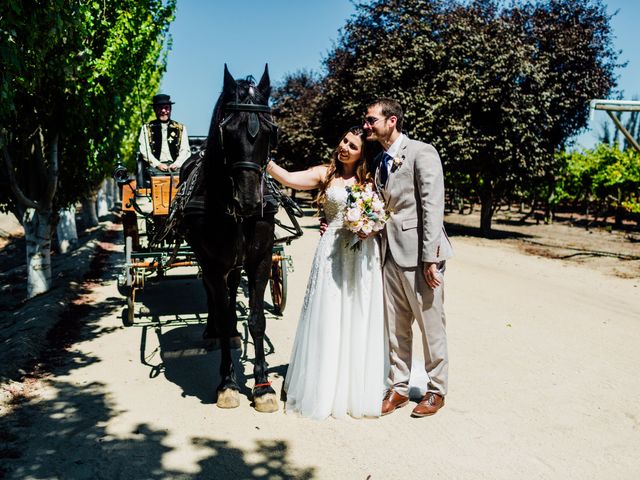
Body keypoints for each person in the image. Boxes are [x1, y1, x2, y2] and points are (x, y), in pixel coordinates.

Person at [266, 127, 386, 420]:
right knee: (327, 311)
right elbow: (289, 178)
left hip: (362, 252)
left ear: (362, 154)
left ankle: (353, 386)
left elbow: (382, 211)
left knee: (357, 311)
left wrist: (368, 226)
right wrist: (267, 162)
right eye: (344, 140)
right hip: (331, 249)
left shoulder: (370, 180)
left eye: (353, 146)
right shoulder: (325, 174)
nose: (344, 147)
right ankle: (322, 384)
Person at [363, 98, 453, 418]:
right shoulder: (378, 162)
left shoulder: (421, 152)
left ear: (392, 121)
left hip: (419, 256)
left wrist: (431, 257)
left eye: (372, 120)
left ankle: (436, 389)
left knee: (431, 326)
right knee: (396, 327)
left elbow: (432, 207)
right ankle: (399, 387)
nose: (366, 125)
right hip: (389, 253)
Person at [138, 93, 191, 172]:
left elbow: (185, 150)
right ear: (154, 109)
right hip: (153, 168)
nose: (163, 111)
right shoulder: (146, 128)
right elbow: (144, 150)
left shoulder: (181, 128)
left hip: (177, 167)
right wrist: (158, 164)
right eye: (160, 108)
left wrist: (176, 164)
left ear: (170, 109)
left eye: (166, 107)